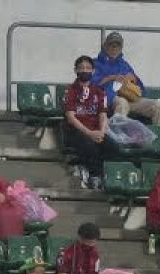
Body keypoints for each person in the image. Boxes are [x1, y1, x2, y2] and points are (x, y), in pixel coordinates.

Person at [63, 56, 118, 190]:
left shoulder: (99, 91)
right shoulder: (70, 91)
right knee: (90, 145)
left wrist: (102, 132)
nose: (85, 70)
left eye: (88, 68)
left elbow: (103, 114)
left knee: (114, 148)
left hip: (96, 130)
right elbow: (71, 117)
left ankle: (103, 174)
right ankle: (94, 176)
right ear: (76, 70)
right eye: (81, 68)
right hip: (77, 131)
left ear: (93, 71)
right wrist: (89, 133)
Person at [93, 32, 160, 125]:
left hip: (129, 99)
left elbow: (140, 89)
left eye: (117, 45)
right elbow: (92, 86)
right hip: (108, 101)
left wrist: (133, 80)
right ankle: (118, 137)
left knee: (158, 105)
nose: (114, 48)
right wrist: (111, 78)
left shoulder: (124, 64)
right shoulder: (95, 63)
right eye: (111, 45)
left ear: (121, 48)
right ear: (105, 46)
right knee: (122, 103)